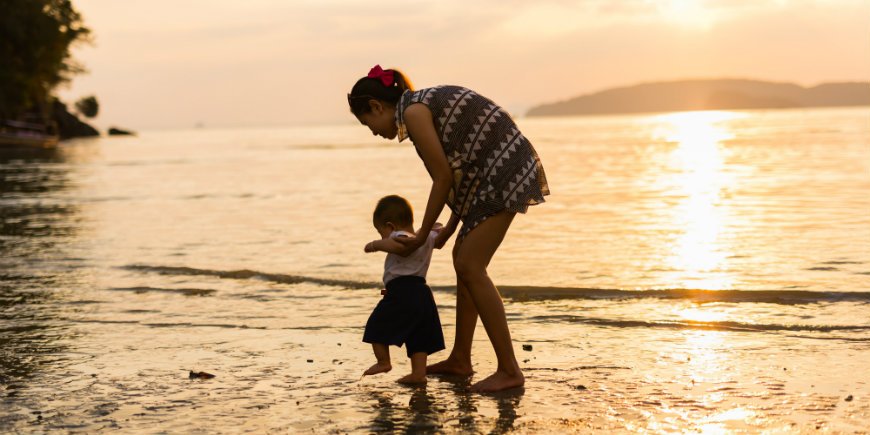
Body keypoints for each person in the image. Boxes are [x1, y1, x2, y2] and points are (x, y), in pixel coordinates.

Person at [348, 65, 550, 392]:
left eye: (366, 123)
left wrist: (419, 236)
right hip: (489, 175)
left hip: (504, 170)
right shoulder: (417, 106)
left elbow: (442, 177)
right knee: (463, 260)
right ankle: (461, 359)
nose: (371, 131)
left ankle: (509, 370)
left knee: (471, 264)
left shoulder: (413, 112)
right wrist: (448, 228)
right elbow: (456, 172)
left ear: (376, 106)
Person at [362, 194, 452, 384]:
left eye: (381, 233)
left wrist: (375, 245)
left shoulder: (399, 236)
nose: (381, 238)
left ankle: (383, 362)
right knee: (418, 336)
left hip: (402, 291)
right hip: (423, 293)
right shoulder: (425, 237)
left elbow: (396, 245)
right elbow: (441, 236)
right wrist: (452, 220)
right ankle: (418, 374)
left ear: (390, 227)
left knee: (375, 325)